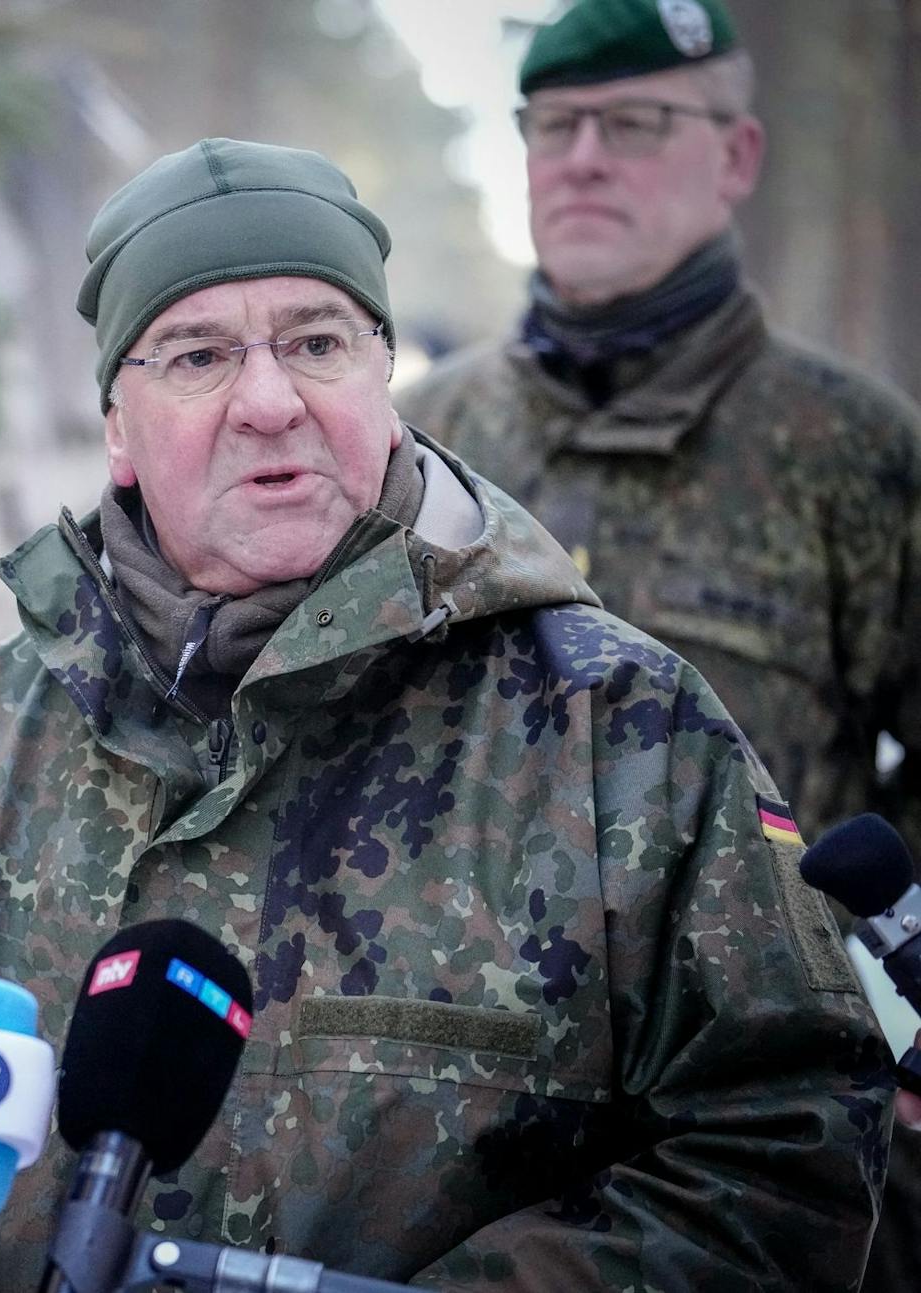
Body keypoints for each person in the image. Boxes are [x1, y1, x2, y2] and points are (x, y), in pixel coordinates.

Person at [0, 138, 891, 1292]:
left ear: (382, 383)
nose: (270, 403)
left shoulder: (616, 732)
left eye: (316, 342)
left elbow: (790, 1144)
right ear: (117, 431)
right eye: (197, 356)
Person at [393, 3, 921, 1284]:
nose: (580, 159)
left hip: (759, 1144)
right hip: (447, 1138)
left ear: (734, 158)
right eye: (552, 126)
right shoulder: (411, 448)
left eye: (631, 124)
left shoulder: (849, 452)